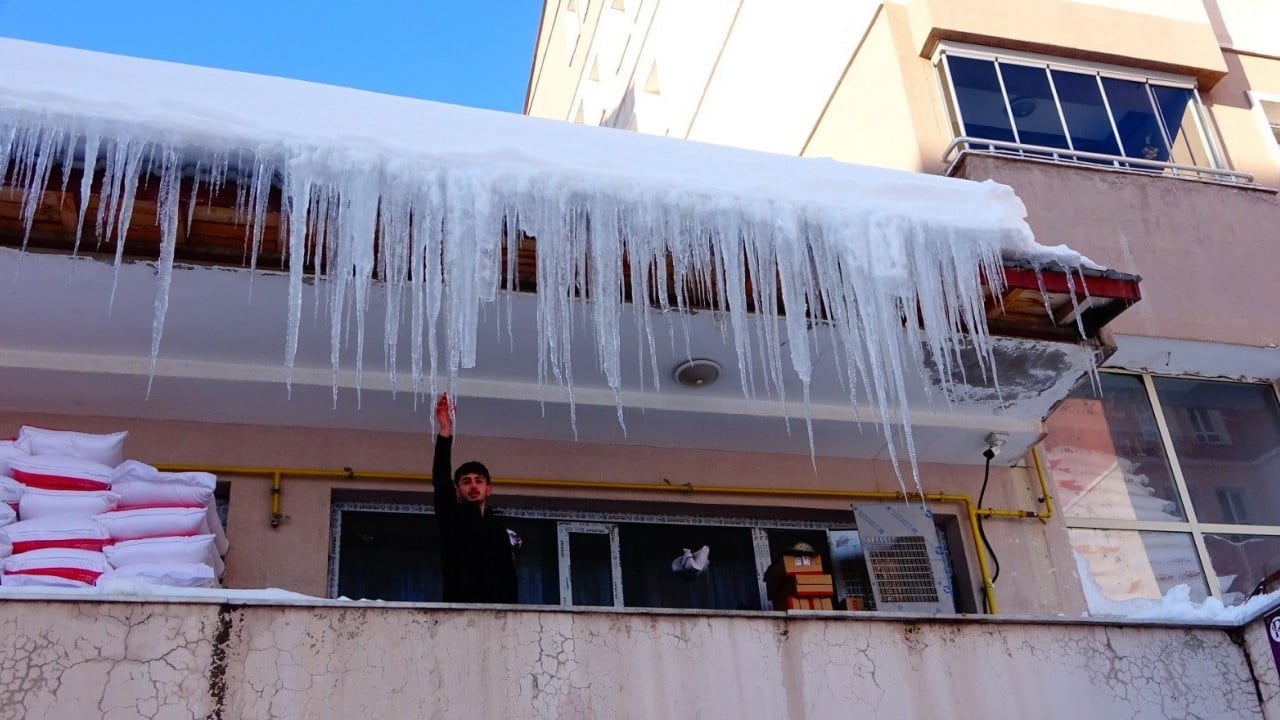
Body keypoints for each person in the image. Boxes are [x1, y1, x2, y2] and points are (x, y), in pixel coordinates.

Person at [431, 394, 518, 604]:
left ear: (488, 489)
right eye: (466, 481)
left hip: (495, 615)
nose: (473, 486)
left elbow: (508, 578)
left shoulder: (497, 529)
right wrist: (445, 431)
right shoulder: (451, 518)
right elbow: (441, 479)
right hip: (458, 610)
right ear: (457, 490)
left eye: (478, 481)